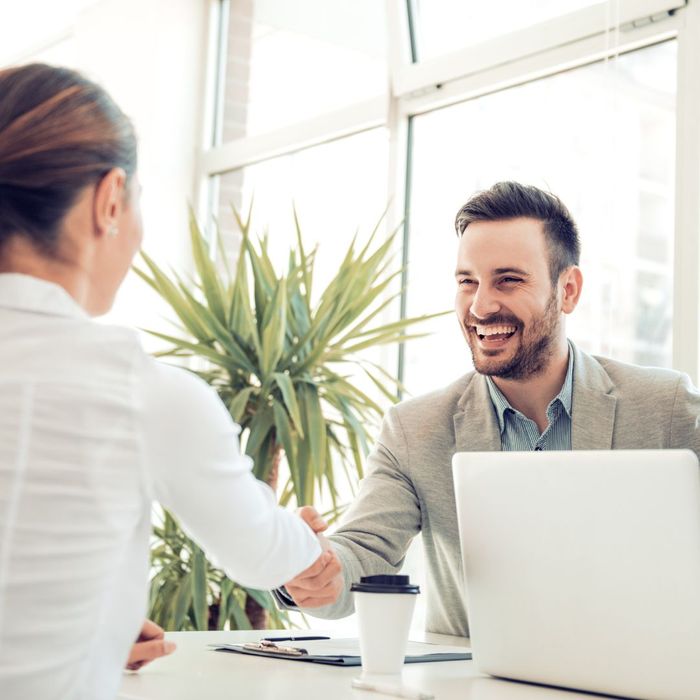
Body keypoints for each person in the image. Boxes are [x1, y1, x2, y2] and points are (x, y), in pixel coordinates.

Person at [0, 63, 331, 700]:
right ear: (110, 200)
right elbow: (264, 554)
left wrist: (80, 628)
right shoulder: (141, 393)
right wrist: (300, 538)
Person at [278, 181, 700, 636]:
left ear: (569, 291)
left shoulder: (667, 408)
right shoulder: (415, 430)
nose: (480, 305)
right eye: (467, 282)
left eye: (508, 280)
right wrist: (311, 569)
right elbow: (362, 553)